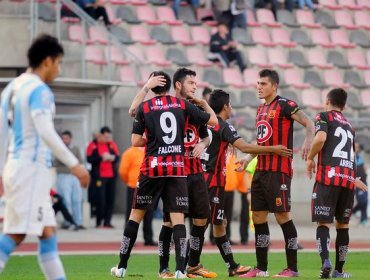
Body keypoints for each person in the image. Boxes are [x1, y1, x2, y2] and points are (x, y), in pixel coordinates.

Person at [110, 70, 218, 279]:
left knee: (136, 216)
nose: (194, 86)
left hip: (152, 168)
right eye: (191, 82)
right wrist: (204, 105)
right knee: (177, 220)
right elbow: (212, 122)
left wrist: (145, 88)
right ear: (173, 86)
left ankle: (122, 266)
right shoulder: (182, 105)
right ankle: (179, 270)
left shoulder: (145, 107)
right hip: (177, 168)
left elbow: (134, 138)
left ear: (153, 85)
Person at [0, 34, 90, 278]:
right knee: (16, 234)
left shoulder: (11, 88)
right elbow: (46, 132)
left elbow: (2, 134)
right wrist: (75, 165)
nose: (58, 70)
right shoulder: (40, 90)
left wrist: (1, 171)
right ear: (48, 61)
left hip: (17, 168)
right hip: (30, 170)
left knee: (47, 232)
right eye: (59, 63)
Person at [204, 89, 293, 277]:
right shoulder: (224, 126)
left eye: (262, 83)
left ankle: (233, 266)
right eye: (230, 105)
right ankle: (190, 265)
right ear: (226, 106)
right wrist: (273, 149)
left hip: (202, 180)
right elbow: (244, 145)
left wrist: (246, 158)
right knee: (204, 223)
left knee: (218, 223)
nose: (232, 109)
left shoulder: (205, 124)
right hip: (213, 182)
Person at [236, 69, 314, 278]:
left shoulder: (285, 105)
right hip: (260, 170)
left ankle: (293, 268)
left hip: (278, 171)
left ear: (274, 86)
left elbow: (309, 123)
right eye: (258, 83)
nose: (258, 87)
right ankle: (261, 268)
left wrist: (308, 141)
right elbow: (262, 141)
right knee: (258, 216)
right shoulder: (260, 110)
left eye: (263, 83)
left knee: (282, 216)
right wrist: (247, 158)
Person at [306, 88, 368, 279]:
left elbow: (321, 138)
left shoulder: (323, 116)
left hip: (328, 178)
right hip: (348, 180)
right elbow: (351, 154)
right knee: (343, 226)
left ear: (327, 101)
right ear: (344, 105)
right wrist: (353, 177)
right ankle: (339, 271)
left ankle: (325, 261)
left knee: (324, 223)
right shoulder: (350, 126)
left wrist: (310, 158)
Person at [118, 145, 157, 246]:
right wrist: (131, 181)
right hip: (134, 186)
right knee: (131, 213)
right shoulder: (129, 153)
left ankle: (148, 239)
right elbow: (123, 171)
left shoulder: (151, 150)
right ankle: (128, 239)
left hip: (149, 186)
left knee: (149, 213)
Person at [86, 126, 120, 228]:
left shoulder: (111, 145)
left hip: (111, 176)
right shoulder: (93, 145)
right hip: (99, 176)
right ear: (100, 135)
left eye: (108, 137)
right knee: (100, 199)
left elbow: (117, 157)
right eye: (105, 136)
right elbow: (89, 159)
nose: (107, 139)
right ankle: (99, 220)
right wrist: (101, 158)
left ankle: (107, 221)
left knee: (110, 199)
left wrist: (111, 158)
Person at [54, 130, 85, 230]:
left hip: (74, 176)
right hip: (63, 175)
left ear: (70, 139)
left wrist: (70, 164)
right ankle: (68, 221)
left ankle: (78, 222)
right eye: (63, 138)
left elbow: (80, 161)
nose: (65, 140)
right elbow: (57, 161)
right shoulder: (59, 149)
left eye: (66, 138)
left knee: (77, 199)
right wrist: (71, 164)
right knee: (66, 200)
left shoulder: (75, 148)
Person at [352, 143, 368, 227]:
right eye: (355, 147)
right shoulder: (351, 156)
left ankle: (364, 220)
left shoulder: (360, 156)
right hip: (358, 183)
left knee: (365, 202)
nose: (357, 148)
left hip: (364, 181)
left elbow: (362, 166)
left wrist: (365, 167)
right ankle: (353, 211)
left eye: (357, 147)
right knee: (362, 201)